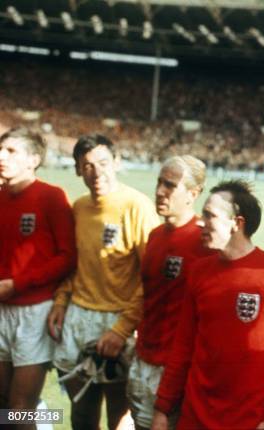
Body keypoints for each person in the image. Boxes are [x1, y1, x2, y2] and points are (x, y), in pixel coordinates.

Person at [152, 181, 264, 429]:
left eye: (210, 215)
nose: (200, 222)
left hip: (250, 420)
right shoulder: (199, 271)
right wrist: (162, 407)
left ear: (237, 223)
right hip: (195, 415)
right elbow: (183, 345)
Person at [47, 134, 159, 430]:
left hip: (119, 321)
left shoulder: (138, 206)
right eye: (87, 166)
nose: (96, 173)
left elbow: (151, 275)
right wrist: (61, 300)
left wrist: (123, 329)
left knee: (119, 417)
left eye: (103, 163)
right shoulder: (80, 207)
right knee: (81, 414)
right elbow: (75, 263)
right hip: (78, 317)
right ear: (77, 171)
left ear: (117, 162)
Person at [127, 156, 211, 430]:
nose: (160, 191)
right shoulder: (154, 236)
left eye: (170, 185)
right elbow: (147, 295)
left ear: (193, 194)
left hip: (175, 370)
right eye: (159, 183)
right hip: (142, 361)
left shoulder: (206, 243)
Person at [0, 128, 76, 428]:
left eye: (11, 151)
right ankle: (44, 420)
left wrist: (17, 284)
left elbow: (68, 257)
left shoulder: (52, 197)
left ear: (33, 160)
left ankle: (42, 420)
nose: (1, 156)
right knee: (4, 405)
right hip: (1, 310)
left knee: (21, 408)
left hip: (35, 312)